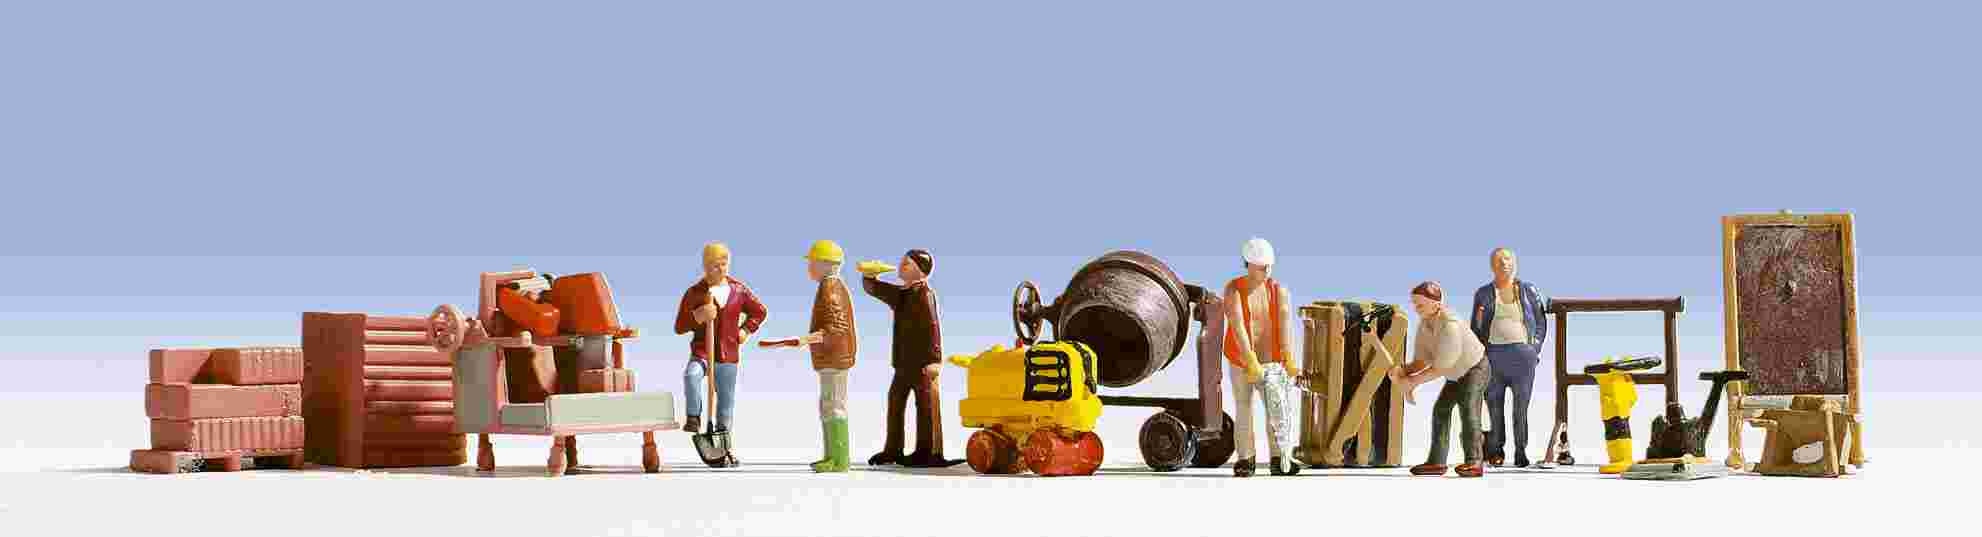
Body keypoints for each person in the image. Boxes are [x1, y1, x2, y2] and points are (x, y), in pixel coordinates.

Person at [1371, 281, 1491, 478]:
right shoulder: (1425, 324)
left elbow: (1440, 367)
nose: (1416, 308)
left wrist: (1412, 382)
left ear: (1436, 303)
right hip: (1454, 373)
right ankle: (1437, 462)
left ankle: (1474, 461)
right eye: (1414, 303)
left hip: (1474, 369)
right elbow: (1422, 360)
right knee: (1441, 410)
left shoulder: (1450, 325)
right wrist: (1404, 370)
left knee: (1468, 409)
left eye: (1420, 304)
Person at [860, 249, 963, 468]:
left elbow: (933, 327)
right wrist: (869, 277)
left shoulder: (925, 294)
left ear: (921, 270)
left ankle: (928, 452)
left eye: (906, 264)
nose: (900, 267)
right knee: (895, 402)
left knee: (925, 408)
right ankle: (893, 449)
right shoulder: (903, 294)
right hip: (903, 364)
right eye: (902, 263)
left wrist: (935, 360)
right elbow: (876, 289)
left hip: (923, 364)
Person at [765, 240, 859, 473]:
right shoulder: (830, 286)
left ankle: (839, 459)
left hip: (834, 358)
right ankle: (832, 456)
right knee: (829, 405)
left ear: (826, 264)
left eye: (812, 263)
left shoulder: (830, 289)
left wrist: (808, 339)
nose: (809, 268)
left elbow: (836, 329)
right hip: (832, 357)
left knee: (834, 405)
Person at [673, 241, 767, 467]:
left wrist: (746, 330)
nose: (720, 269)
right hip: (703, 352)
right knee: (691, 375)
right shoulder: (695, 293)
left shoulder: (738, 290)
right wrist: (697, 316)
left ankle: (725, 449)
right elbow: (680, 326)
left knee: (725, 405)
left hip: (727, 354)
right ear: (705, 266)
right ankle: (694, 417)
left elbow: (759, 312)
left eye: (724, 264)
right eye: (715, 265)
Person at [1221, 237, 1303, 477]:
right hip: (1241, 361)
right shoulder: (1234, 289)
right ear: (1248, 264)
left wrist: (1288, 358)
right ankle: (1246, 459)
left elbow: (1285, 325)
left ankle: (1280, 458)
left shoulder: (1278, 290)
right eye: (1261, 267)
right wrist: (1250, 360)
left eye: (1269, 266)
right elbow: (1237, 325)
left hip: (1272, 363)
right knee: (1244, 407)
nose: (1266, 271)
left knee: (1276, 409)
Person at [1470, 247, 1550, 467]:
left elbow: (1541, 322)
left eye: (1507, 259)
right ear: (1492, 266)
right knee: (1494, 406)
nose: (1503, 263)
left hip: (1522, 357)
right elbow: (1476, 327)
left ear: (1514, 263)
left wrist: (1534, 349)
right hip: (1493, 356)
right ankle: (1496, 450)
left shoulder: (1528, 290)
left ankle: (1521, 450)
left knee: (1521, 407)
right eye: (1498, 260)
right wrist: (1480, 355)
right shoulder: (1484, 293)